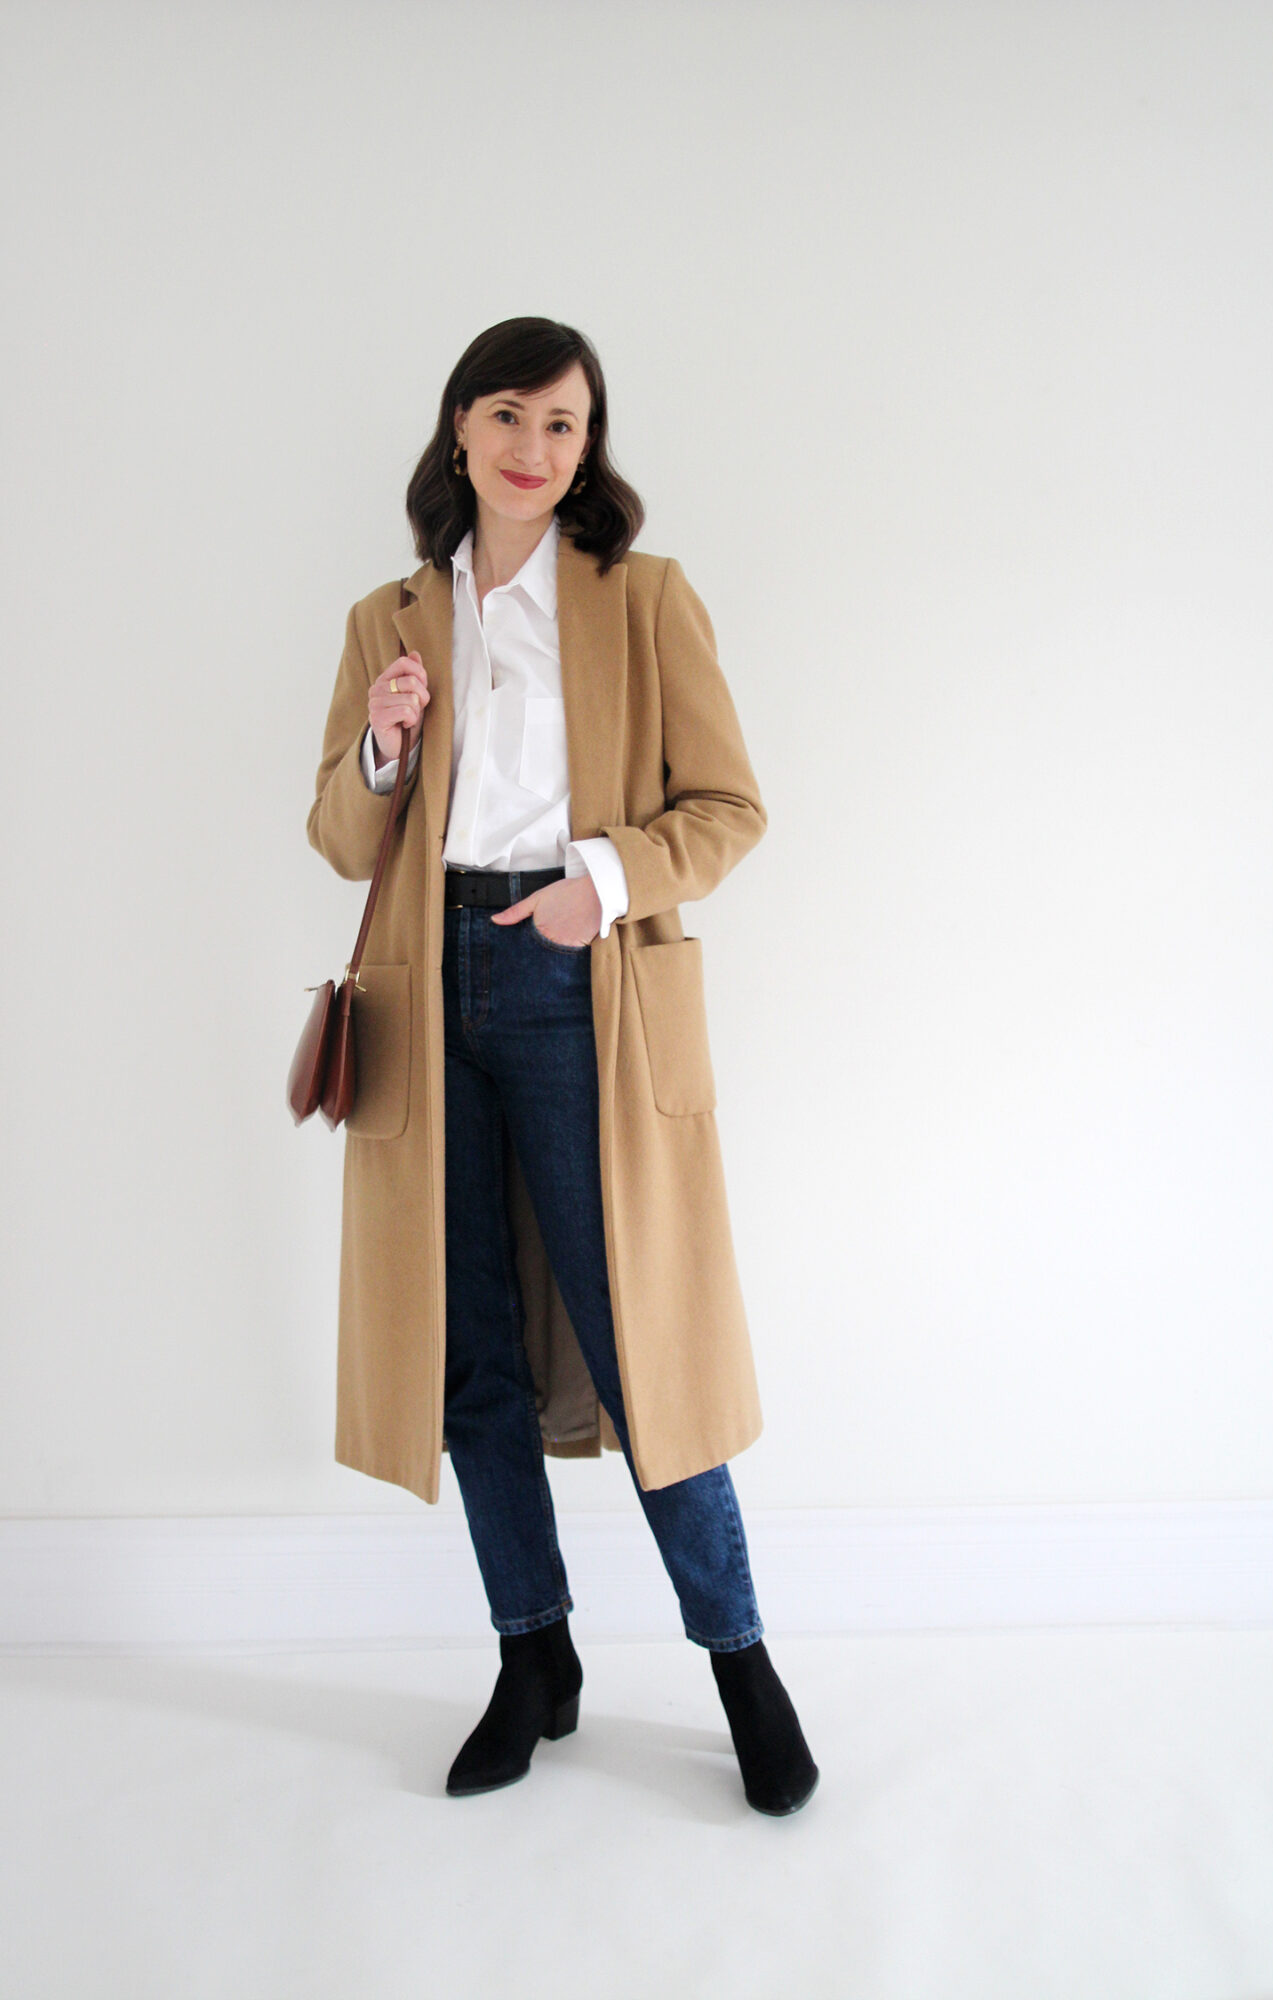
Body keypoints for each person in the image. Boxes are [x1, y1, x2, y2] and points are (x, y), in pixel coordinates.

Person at [307, 316, 817, 1815]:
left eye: (567, 427)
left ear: (588, 451)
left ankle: (739, 1662)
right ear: (458, 428)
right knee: (468, 1353)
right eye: (512, 417)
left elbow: (727, 811)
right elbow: (341, 837)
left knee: (638, 1337)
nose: (537, 451)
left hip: (573, 977)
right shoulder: (386, 619)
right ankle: (535, 1659)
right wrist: (384, 749)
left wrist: (603, 873)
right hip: (425, 987)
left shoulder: (643, 599)